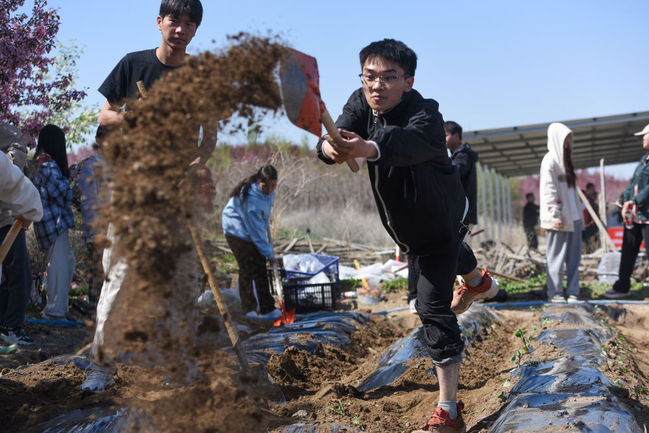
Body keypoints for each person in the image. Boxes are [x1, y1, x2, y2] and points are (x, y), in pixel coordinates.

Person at [317, 38, 468, 433]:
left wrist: (368, 147)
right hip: (407, 227)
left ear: (408, 81)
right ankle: (476, 280)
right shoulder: (360, 103)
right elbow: (338, 133)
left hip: (440, 218)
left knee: (431, 306)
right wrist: (330, 149)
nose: (376, 86)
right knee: (453, 254)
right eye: (369, 76)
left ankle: (449, 412)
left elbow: (405, 144)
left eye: (388, 77)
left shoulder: (426, 113)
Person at [92, 0, 214, 364]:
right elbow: (105, 116)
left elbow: (209, 137)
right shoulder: (134, 65)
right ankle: (102, 365)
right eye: (174, 20)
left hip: (178, 192)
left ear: (196, 30)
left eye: (189, 23)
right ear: (159, 22)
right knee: (120, 274)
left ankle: (179, 363)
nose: (180, 29)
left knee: (182, 279)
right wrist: (132, 118)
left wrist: (196, 165)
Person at [0, 125, 43, 345]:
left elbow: (17, 173)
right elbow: (10, 171)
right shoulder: (8, 133)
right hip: (7, 218)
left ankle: (6, 325)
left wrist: (34, 164)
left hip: (9, 216)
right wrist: (21, 145)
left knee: (12, 276)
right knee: (19, 275)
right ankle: (11, 327)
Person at [222, 165, 280, 318]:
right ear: (258, 182)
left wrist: (265, 253)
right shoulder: (250, 198)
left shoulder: (268, 193)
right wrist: (270, 254)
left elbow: (262, 221)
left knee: (260, 265)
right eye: (265, 186)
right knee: (247, 266)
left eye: (273, 186)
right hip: (235, 229)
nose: (269, 190)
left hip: (251, 228)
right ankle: (249, 310)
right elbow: (256, 232)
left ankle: (267, 308)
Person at [32, 124, 76, 320]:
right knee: (60, 266)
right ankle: (54, 311)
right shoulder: (49, 165)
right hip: (55, 225)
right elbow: (62, 194)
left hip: (50, 225)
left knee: (66, 262)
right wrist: (69, 179)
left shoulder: (43, 164)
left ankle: (58, 308)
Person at [540, 122, 583, 303]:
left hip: (574, 218)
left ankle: (573, 291)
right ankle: (555, 292)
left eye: (569, 138)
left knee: (574, 258)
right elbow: (548, 190)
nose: (568, 142)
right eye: (565, 138)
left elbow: (572, 192)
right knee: (556, 257)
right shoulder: (550, 161)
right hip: (559, 218)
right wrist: (555, 214)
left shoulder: (566, 160)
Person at [605, 123, 649, 299]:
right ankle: (622, 287)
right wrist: (626, 202)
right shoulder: (643, 160)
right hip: (635, 215)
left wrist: (635, 201)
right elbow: (633, 184)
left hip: (647, 215)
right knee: (628, 251)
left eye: (645, 135)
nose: (642, 138)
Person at [70, 126, 107, 308]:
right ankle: (95, 311)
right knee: (99, 274)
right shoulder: (90, 165)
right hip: (98, 231)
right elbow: (89, 201)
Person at [444, 121, 478, 231]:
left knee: (460, 242)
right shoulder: (458, 156)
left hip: (463, 215)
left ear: (456, 136)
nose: (443, 139)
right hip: (461, 214)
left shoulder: (463, 156)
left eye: (446, 135)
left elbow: (452, 174)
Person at [581, 183, 600, 253]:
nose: (593, 191)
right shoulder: (582, 197)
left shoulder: (590, 200)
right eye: (592, 189)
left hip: (588, 225)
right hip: (582, 224)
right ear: (589, 189)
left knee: (588, 242)